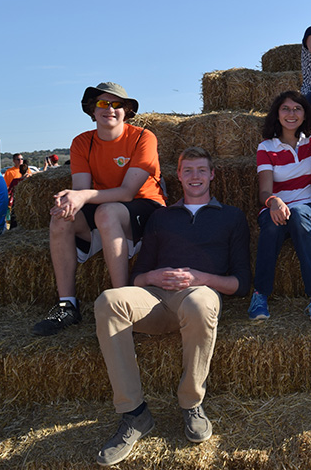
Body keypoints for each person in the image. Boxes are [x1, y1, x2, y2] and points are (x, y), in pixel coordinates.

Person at [93, 147, 250, 466]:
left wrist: (200, 277)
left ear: (212, 175)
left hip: (199, 293)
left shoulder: (231, 216)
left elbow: (241, 283)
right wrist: (153, 275)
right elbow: (137, 276)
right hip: (155, 296)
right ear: (178, 175)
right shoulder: (161, 217)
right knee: (108, 301)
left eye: (201, 170)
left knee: (201, 302)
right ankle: (134, 413)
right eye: (188, 170)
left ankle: (191, 403)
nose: (195, 176)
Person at [32, 82, 166, 337]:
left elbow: (127, 192)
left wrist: (82, 195)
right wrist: (71, 201)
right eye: (103, 103)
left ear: (126, 111)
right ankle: (67, 305)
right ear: (92, 110)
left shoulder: (143, 137)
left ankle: (123, 304)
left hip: (146, 207)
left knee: (107, 212)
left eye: (117, 104)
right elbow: (82, 188)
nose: (110, 109)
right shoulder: (82, 142)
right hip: (106, 206)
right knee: (61, 218)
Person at [251, 91, 311, 325]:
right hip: (276, 208)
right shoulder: (266, 147)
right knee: (271, 225)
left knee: (301, 215)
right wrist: (274, 200)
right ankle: (260, 295)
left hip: (309, 209)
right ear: (277, 113)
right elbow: (264, 191)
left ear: (305, 113)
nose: (291, 114)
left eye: (297, 109)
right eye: (285, 109)